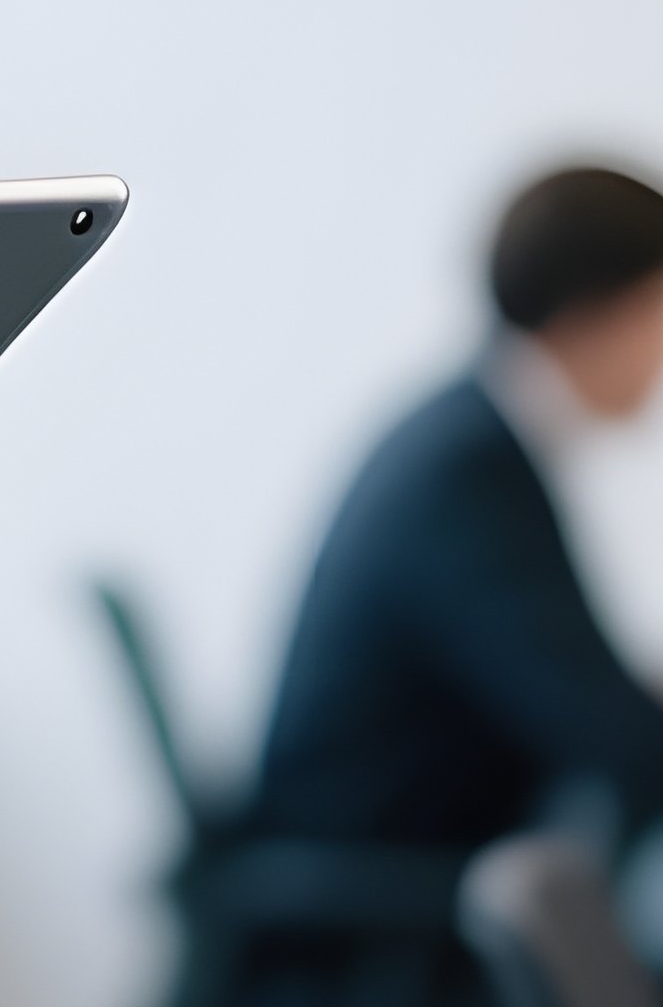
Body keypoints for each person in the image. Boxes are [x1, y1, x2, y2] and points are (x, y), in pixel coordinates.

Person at [235, 164, 663, 1005]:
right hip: (378, 904)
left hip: (401, 870)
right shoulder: (466, 474)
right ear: (596, 313)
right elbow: (603, 725)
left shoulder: (473, 434)